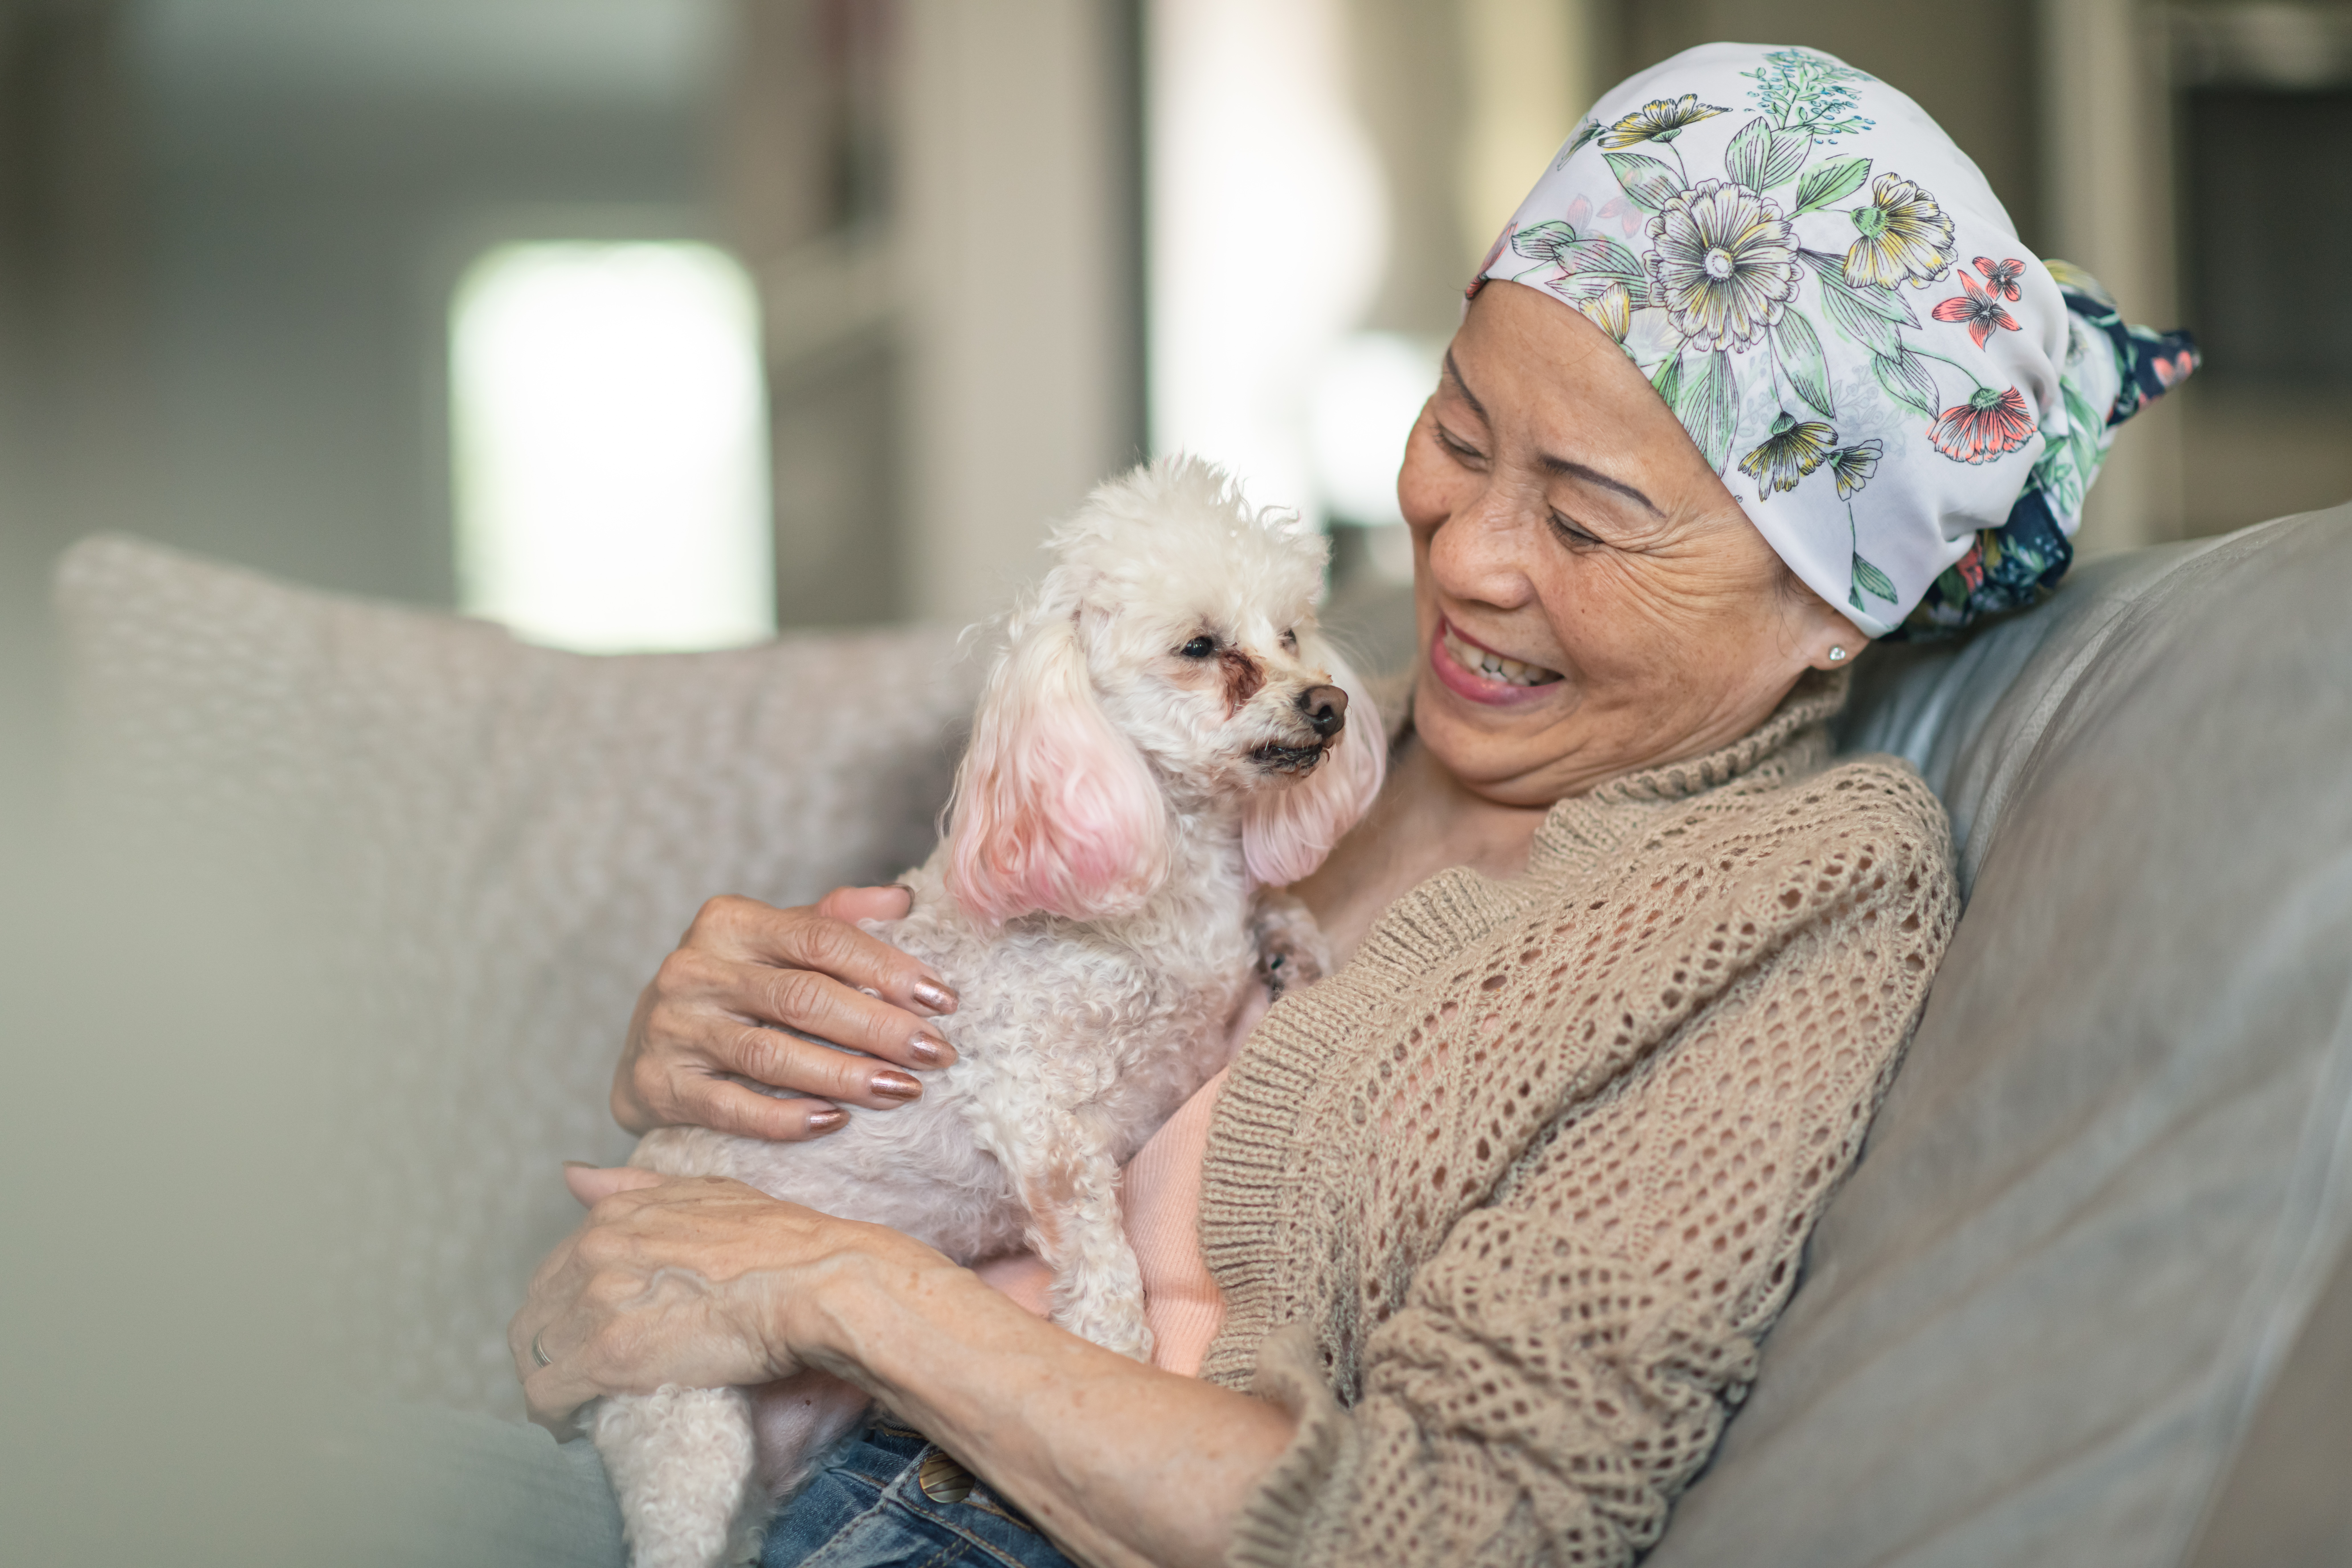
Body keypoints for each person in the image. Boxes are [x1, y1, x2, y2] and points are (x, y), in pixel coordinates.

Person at [511, 43, 2194, 1568]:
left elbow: (1464, 1531)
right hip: (751, 1467)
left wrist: (830, 1284)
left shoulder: (1804, 896)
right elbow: (945, 1070)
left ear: (1840, 609)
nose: (1462, 556)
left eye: (1590, 522)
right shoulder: (1295, 731)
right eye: (1460, 431)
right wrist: (732, 1055)